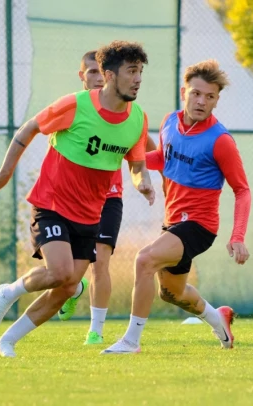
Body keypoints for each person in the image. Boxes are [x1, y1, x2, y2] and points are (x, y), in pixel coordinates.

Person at [0, 40, 155, 358]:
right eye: (131, 71)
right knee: (59, 272)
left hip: (90, 215)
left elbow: (137, 164)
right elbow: (29, 128)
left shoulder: (137, 118)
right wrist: (5, 173)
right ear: (109, 75)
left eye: (140, 71)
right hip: (52, 204)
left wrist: (143, 183)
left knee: (69, 286)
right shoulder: (75, 105)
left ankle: (5, 342)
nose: (138, 79)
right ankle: (9, 291)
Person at [101, 59, 251, 354]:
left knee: (144, 260)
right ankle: (218, 318)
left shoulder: (221, 141)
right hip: (173, 222)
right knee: (172, 293)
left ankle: (131, 341)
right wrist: (121, 155)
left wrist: (238, 236)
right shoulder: (170, 122)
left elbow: (242, 190)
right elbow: (162, 159)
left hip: (199, 226)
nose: (202, 101)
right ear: (184, 92)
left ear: (216, 101)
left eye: (210, 96)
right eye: (196, 93)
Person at [57, 51, 159, 347]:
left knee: (99, 262)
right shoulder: (75, 108)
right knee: (63, 269)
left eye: (100, 73)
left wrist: (150, 178)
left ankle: (95, 331)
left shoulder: (127, 115)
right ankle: (74, 288)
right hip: (67, 199)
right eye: (91, 72)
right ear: (82, 76)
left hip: (107, 199)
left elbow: (147, 153)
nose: (97, 78)